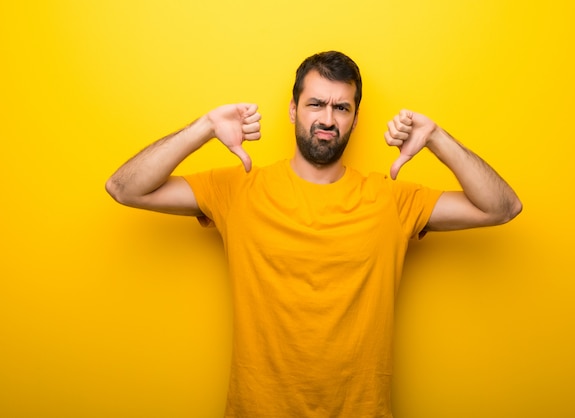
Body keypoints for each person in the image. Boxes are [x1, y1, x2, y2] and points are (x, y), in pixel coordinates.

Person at [106, 51, 522, 417]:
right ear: (292, 109)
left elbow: (502, 207)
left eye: (342, 108)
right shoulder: (239, 189)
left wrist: (436, 138)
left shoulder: (390, 200)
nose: (327, 119)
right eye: (316, 104)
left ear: (356, 118)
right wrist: (204, 127)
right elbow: (124, 187)